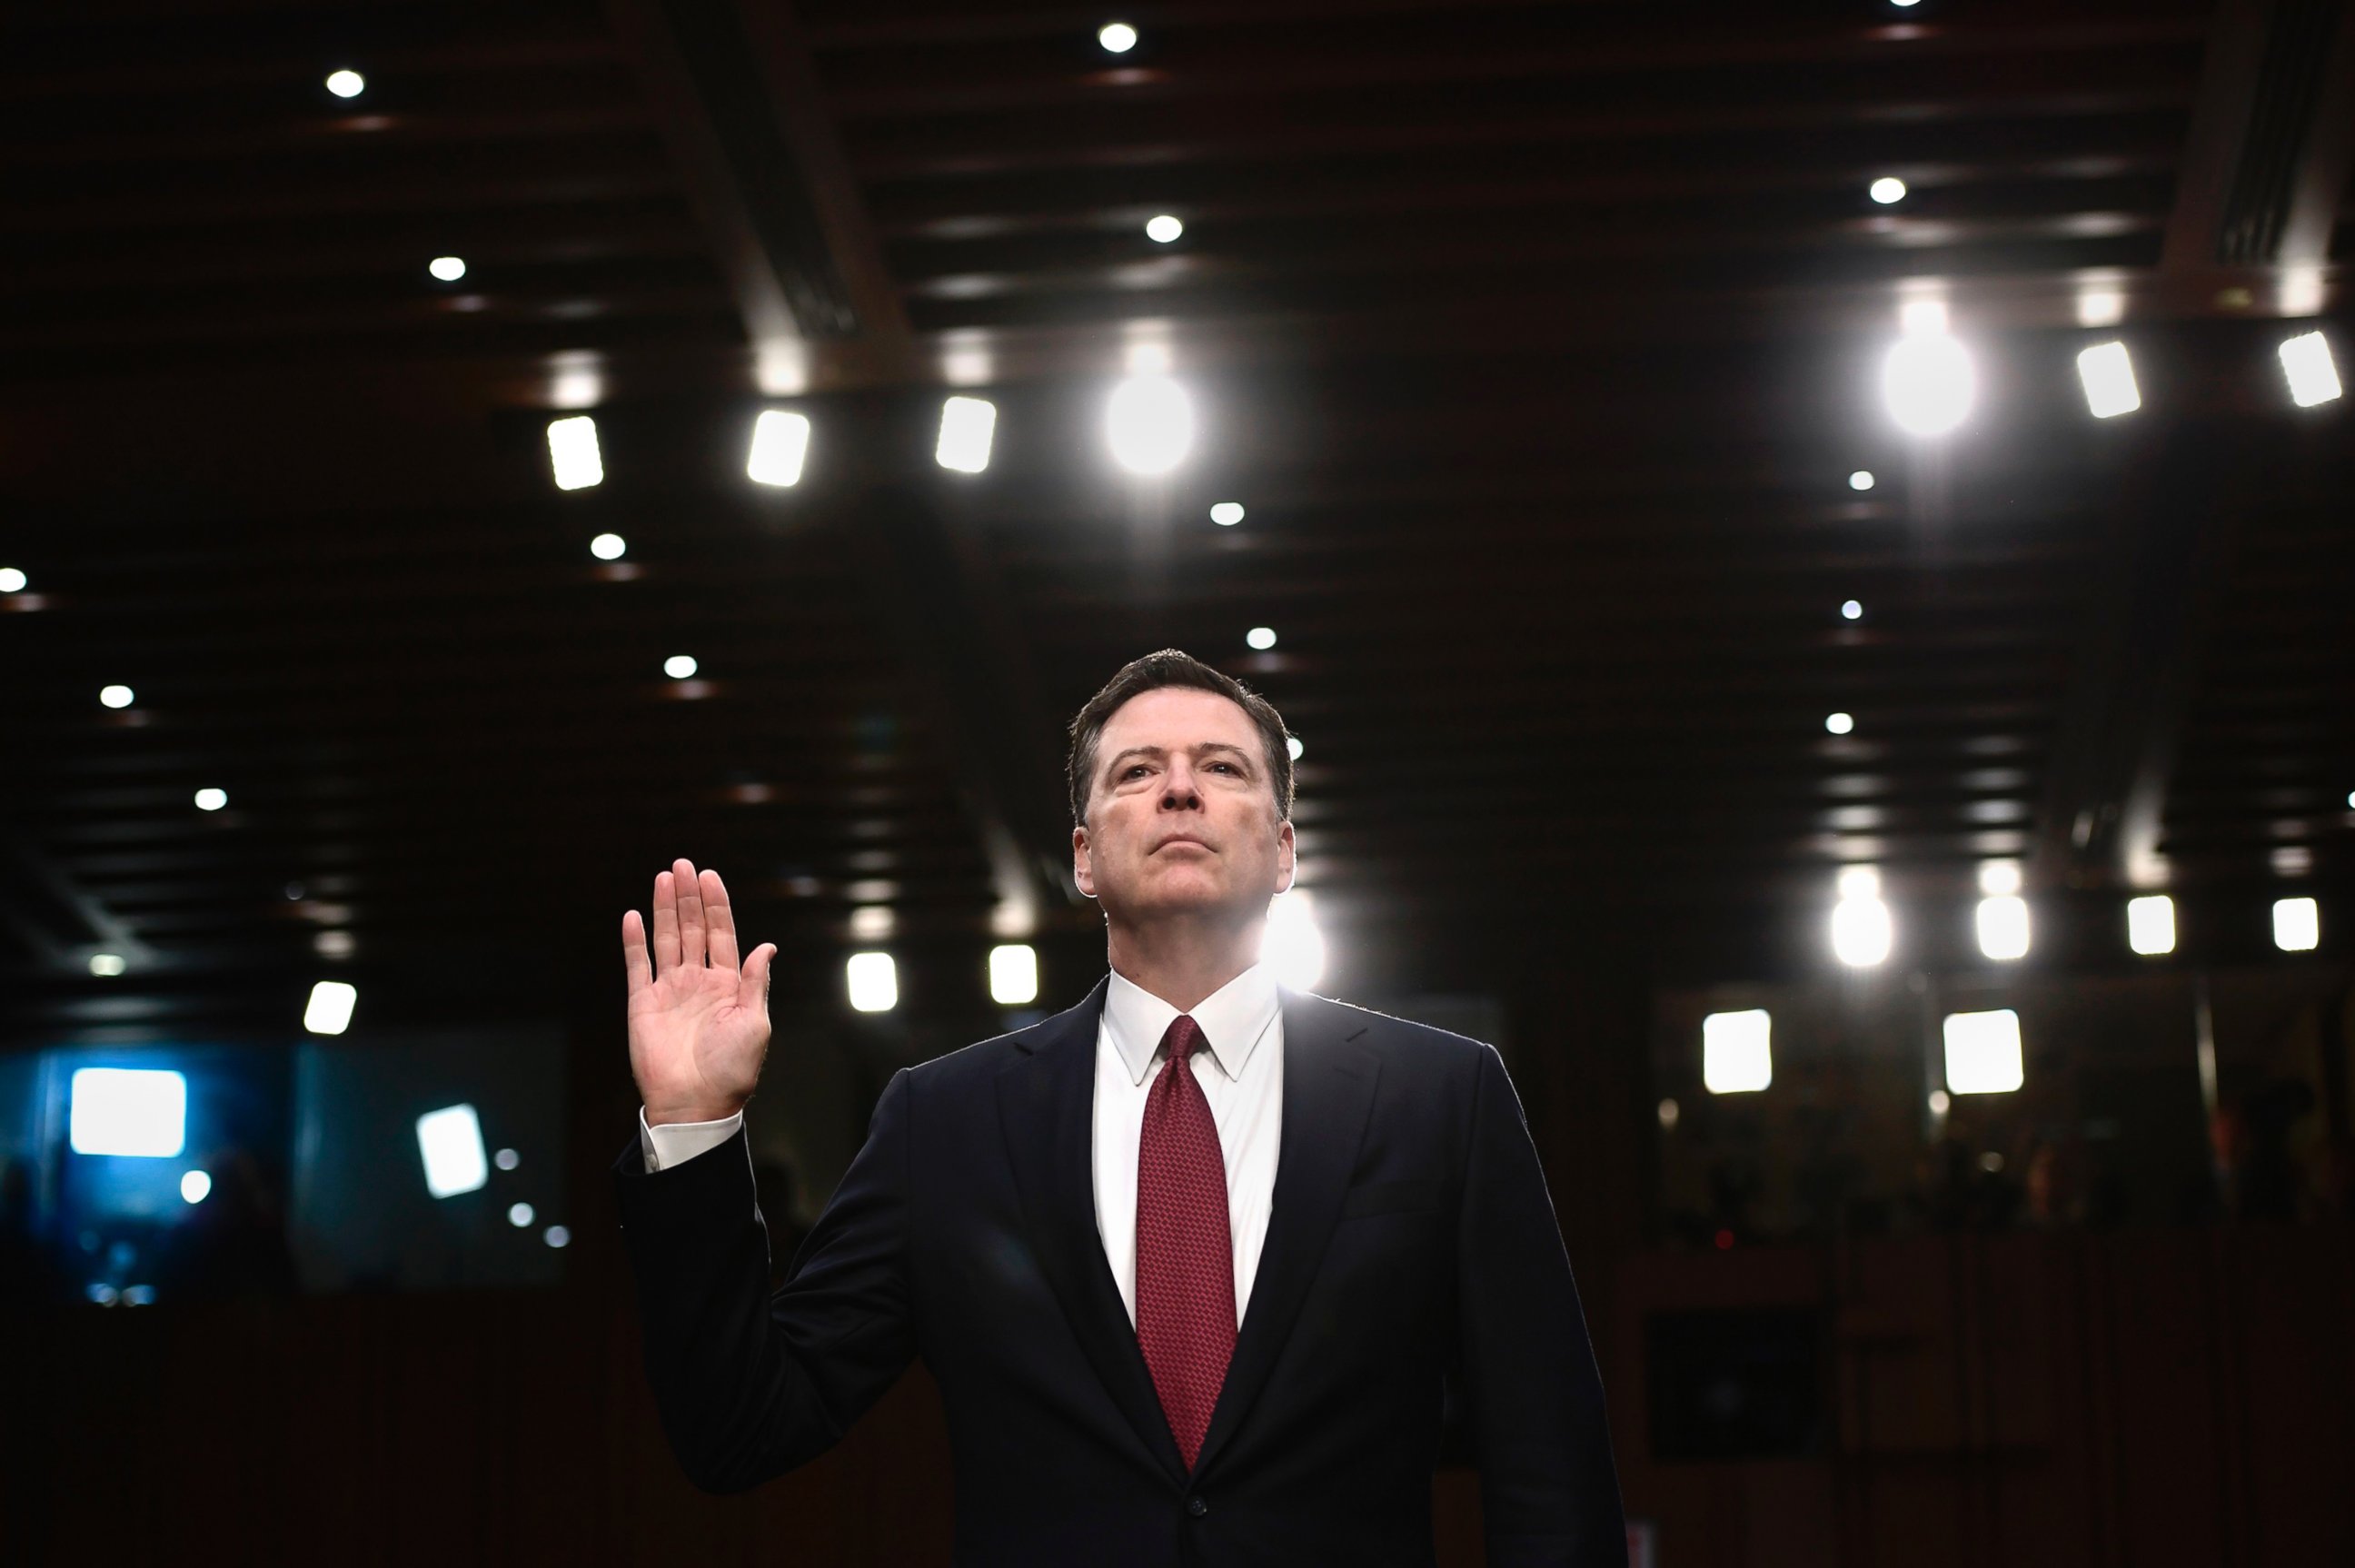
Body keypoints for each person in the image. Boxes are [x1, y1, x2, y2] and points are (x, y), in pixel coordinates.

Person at [611, 650, 1625, 1565]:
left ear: (1283, 851)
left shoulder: (1443, 1095)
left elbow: (1549, 1469)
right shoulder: (946, 1120)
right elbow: (746, 1427)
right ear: (1086, 856)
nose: (1179, 786)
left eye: (1222, 767)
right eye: (1137, 771)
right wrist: (694, 1126)